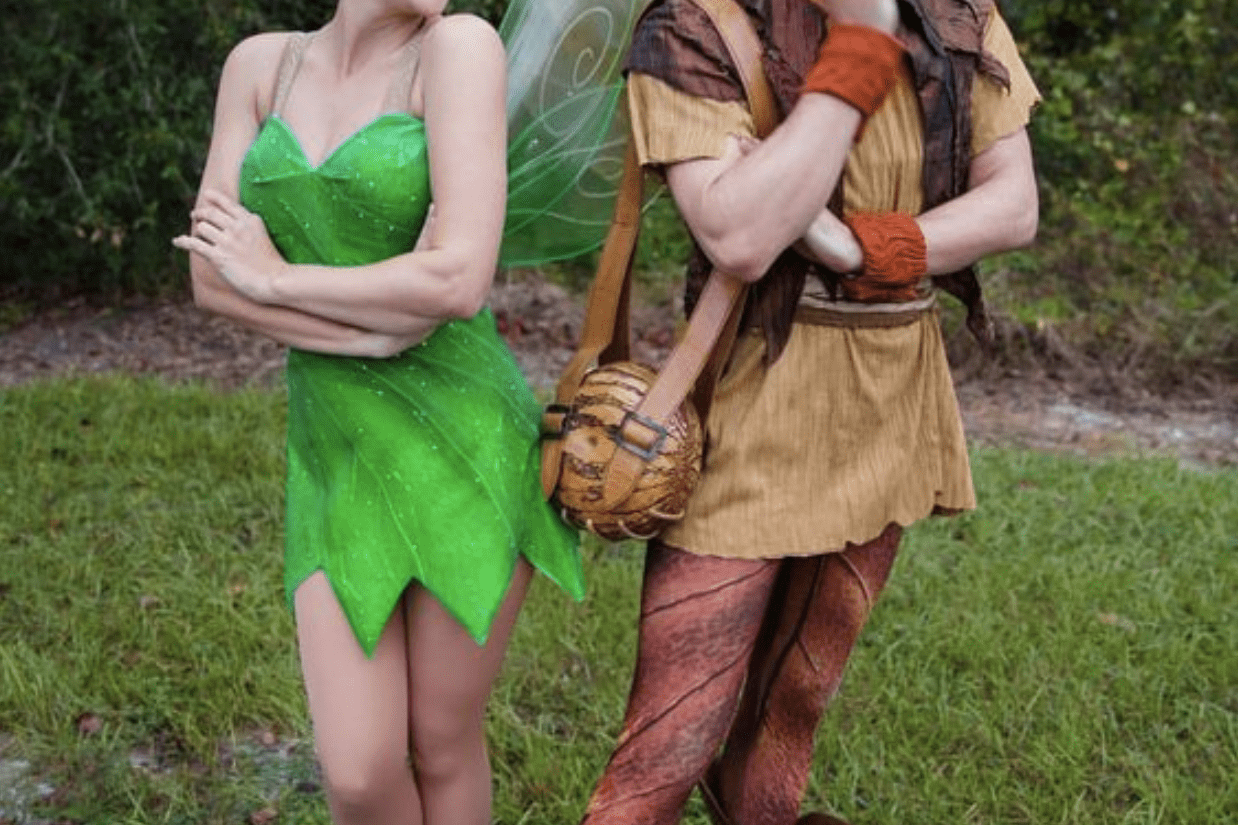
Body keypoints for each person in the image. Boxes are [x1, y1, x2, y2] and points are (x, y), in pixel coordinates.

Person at [576, 0, 1040, 823]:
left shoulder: (956, 15)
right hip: (751, 401)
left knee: (792, 711)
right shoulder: (698, 23)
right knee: (666, 745)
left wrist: (859, 247)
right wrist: (860, 43)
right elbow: (743, 235)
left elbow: (1013, 205)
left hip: (892, 397)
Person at [171, 1, 589, 823]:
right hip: (335, 450)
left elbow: (457, 279)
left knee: (441, 740)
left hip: (461, 442)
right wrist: (373, 333)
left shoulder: (456, 49)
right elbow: (211, 276)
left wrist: (277, 279)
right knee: (358, 770)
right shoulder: (259, 68)